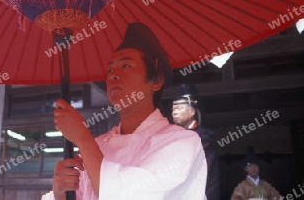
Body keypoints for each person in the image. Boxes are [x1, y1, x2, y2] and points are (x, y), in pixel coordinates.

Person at [42, 22, 207, 200]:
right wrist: (61, 193)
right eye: (110, 69)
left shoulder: (181, 142)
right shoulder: (97, 145)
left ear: (156, 80)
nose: (113, 75)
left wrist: (81, 136)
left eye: (126, 66)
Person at [172, 84, 220, 200]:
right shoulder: (173, 139)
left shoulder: (205, 138)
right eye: (173, 109)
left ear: (192, 111)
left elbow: (206, 174)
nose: (174, 112)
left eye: (179, 108)